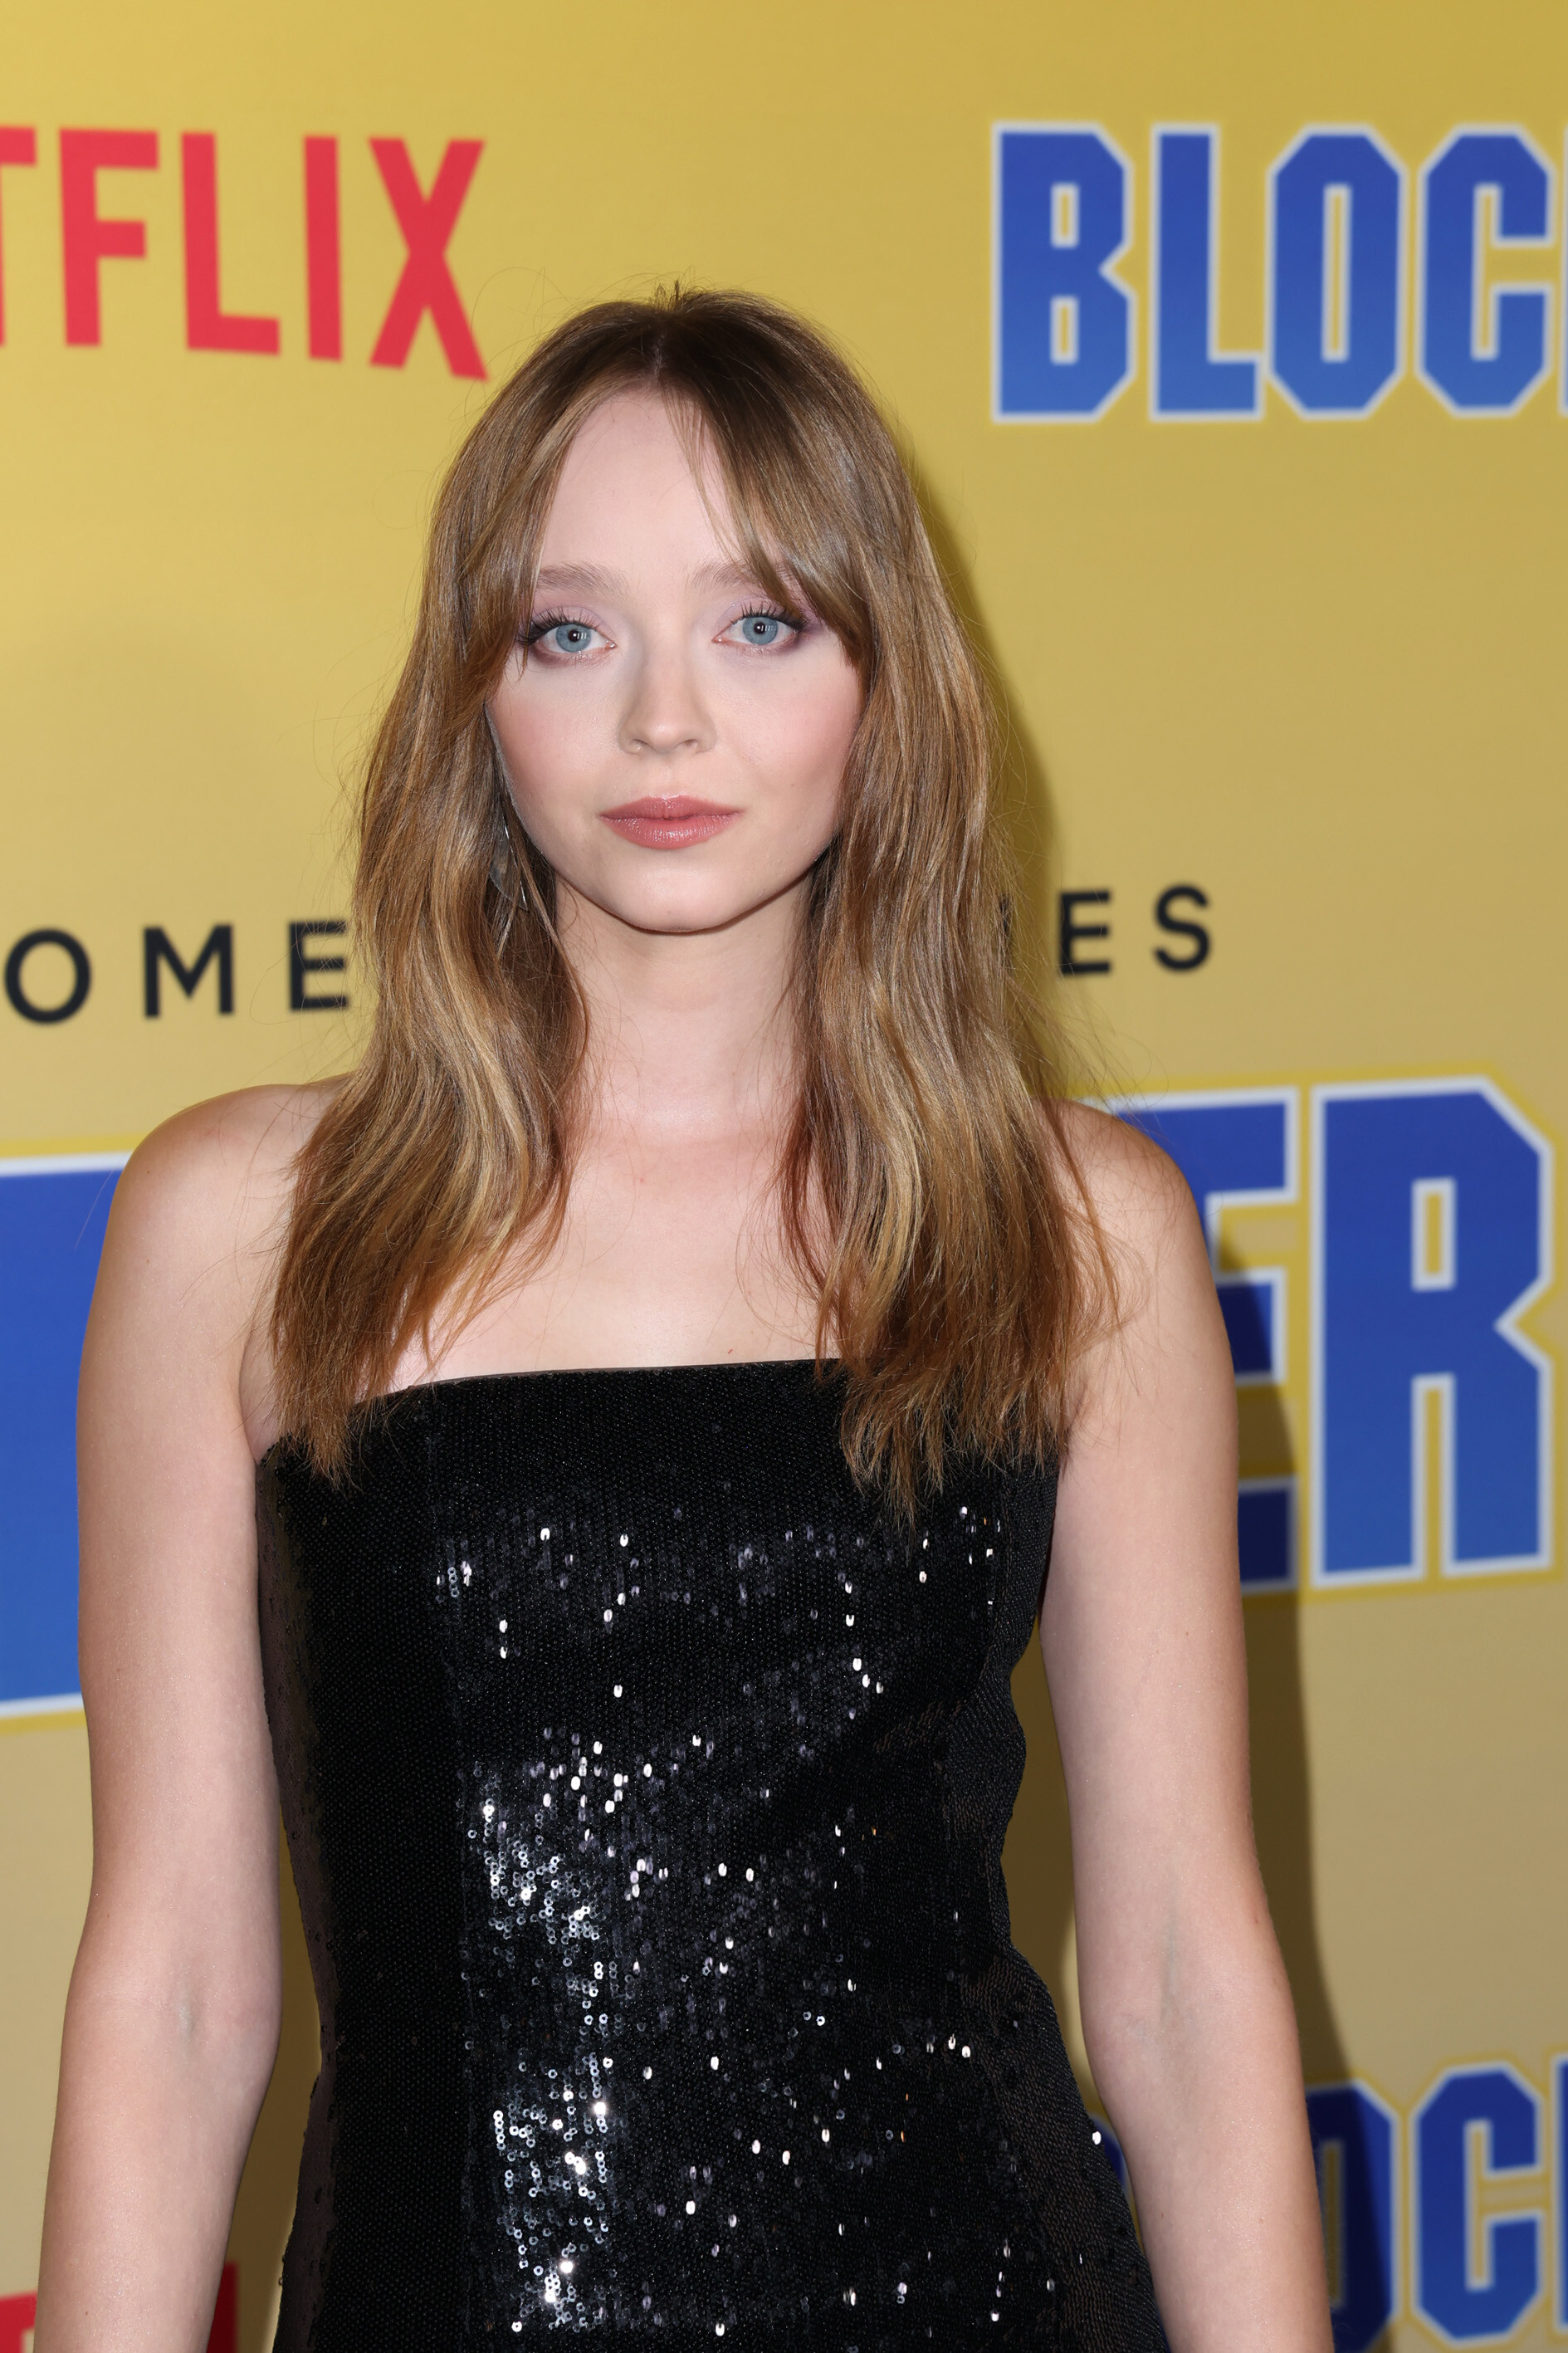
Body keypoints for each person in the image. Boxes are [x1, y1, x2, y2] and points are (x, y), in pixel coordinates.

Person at [36, 289, 1331, 2351]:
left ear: (887, 683)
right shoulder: (246, 1230)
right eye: (571, 633)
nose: (663, 720)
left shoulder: (1078, 1231)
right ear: (475, 695)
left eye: (759, 623)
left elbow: (1179, 1967)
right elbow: (178, 1988)